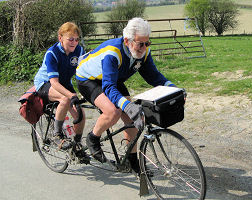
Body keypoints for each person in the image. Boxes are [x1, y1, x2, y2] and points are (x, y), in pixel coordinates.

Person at [76, 17, 176, 174]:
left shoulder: (143, 52)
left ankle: (132, 161)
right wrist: (126, 105)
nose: (144, 47)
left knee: (131, 118)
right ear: (127, 40)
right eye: (140, 43)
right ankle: (93, 137)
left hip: (112, 79)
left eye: (147, 43)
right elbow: (108, 87)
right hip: (89, 80)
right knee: (113, 111)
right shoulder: (112, 53)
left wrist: (173, 88)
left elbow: (153, 76)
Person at [34, 22, 86, 151]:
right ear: (60, 38)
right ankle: (57, 135)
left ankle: (77, 145)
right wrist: (72, 95)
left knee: (81, 115)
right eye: (70, 39)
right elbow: (54, 83)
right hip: (46, 83)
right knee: (65, 99)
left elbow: (84, 73)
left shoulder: (79, 50)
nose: (74, 42)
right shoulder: (52, 53)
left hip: (64, 83)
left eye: (76, 39)